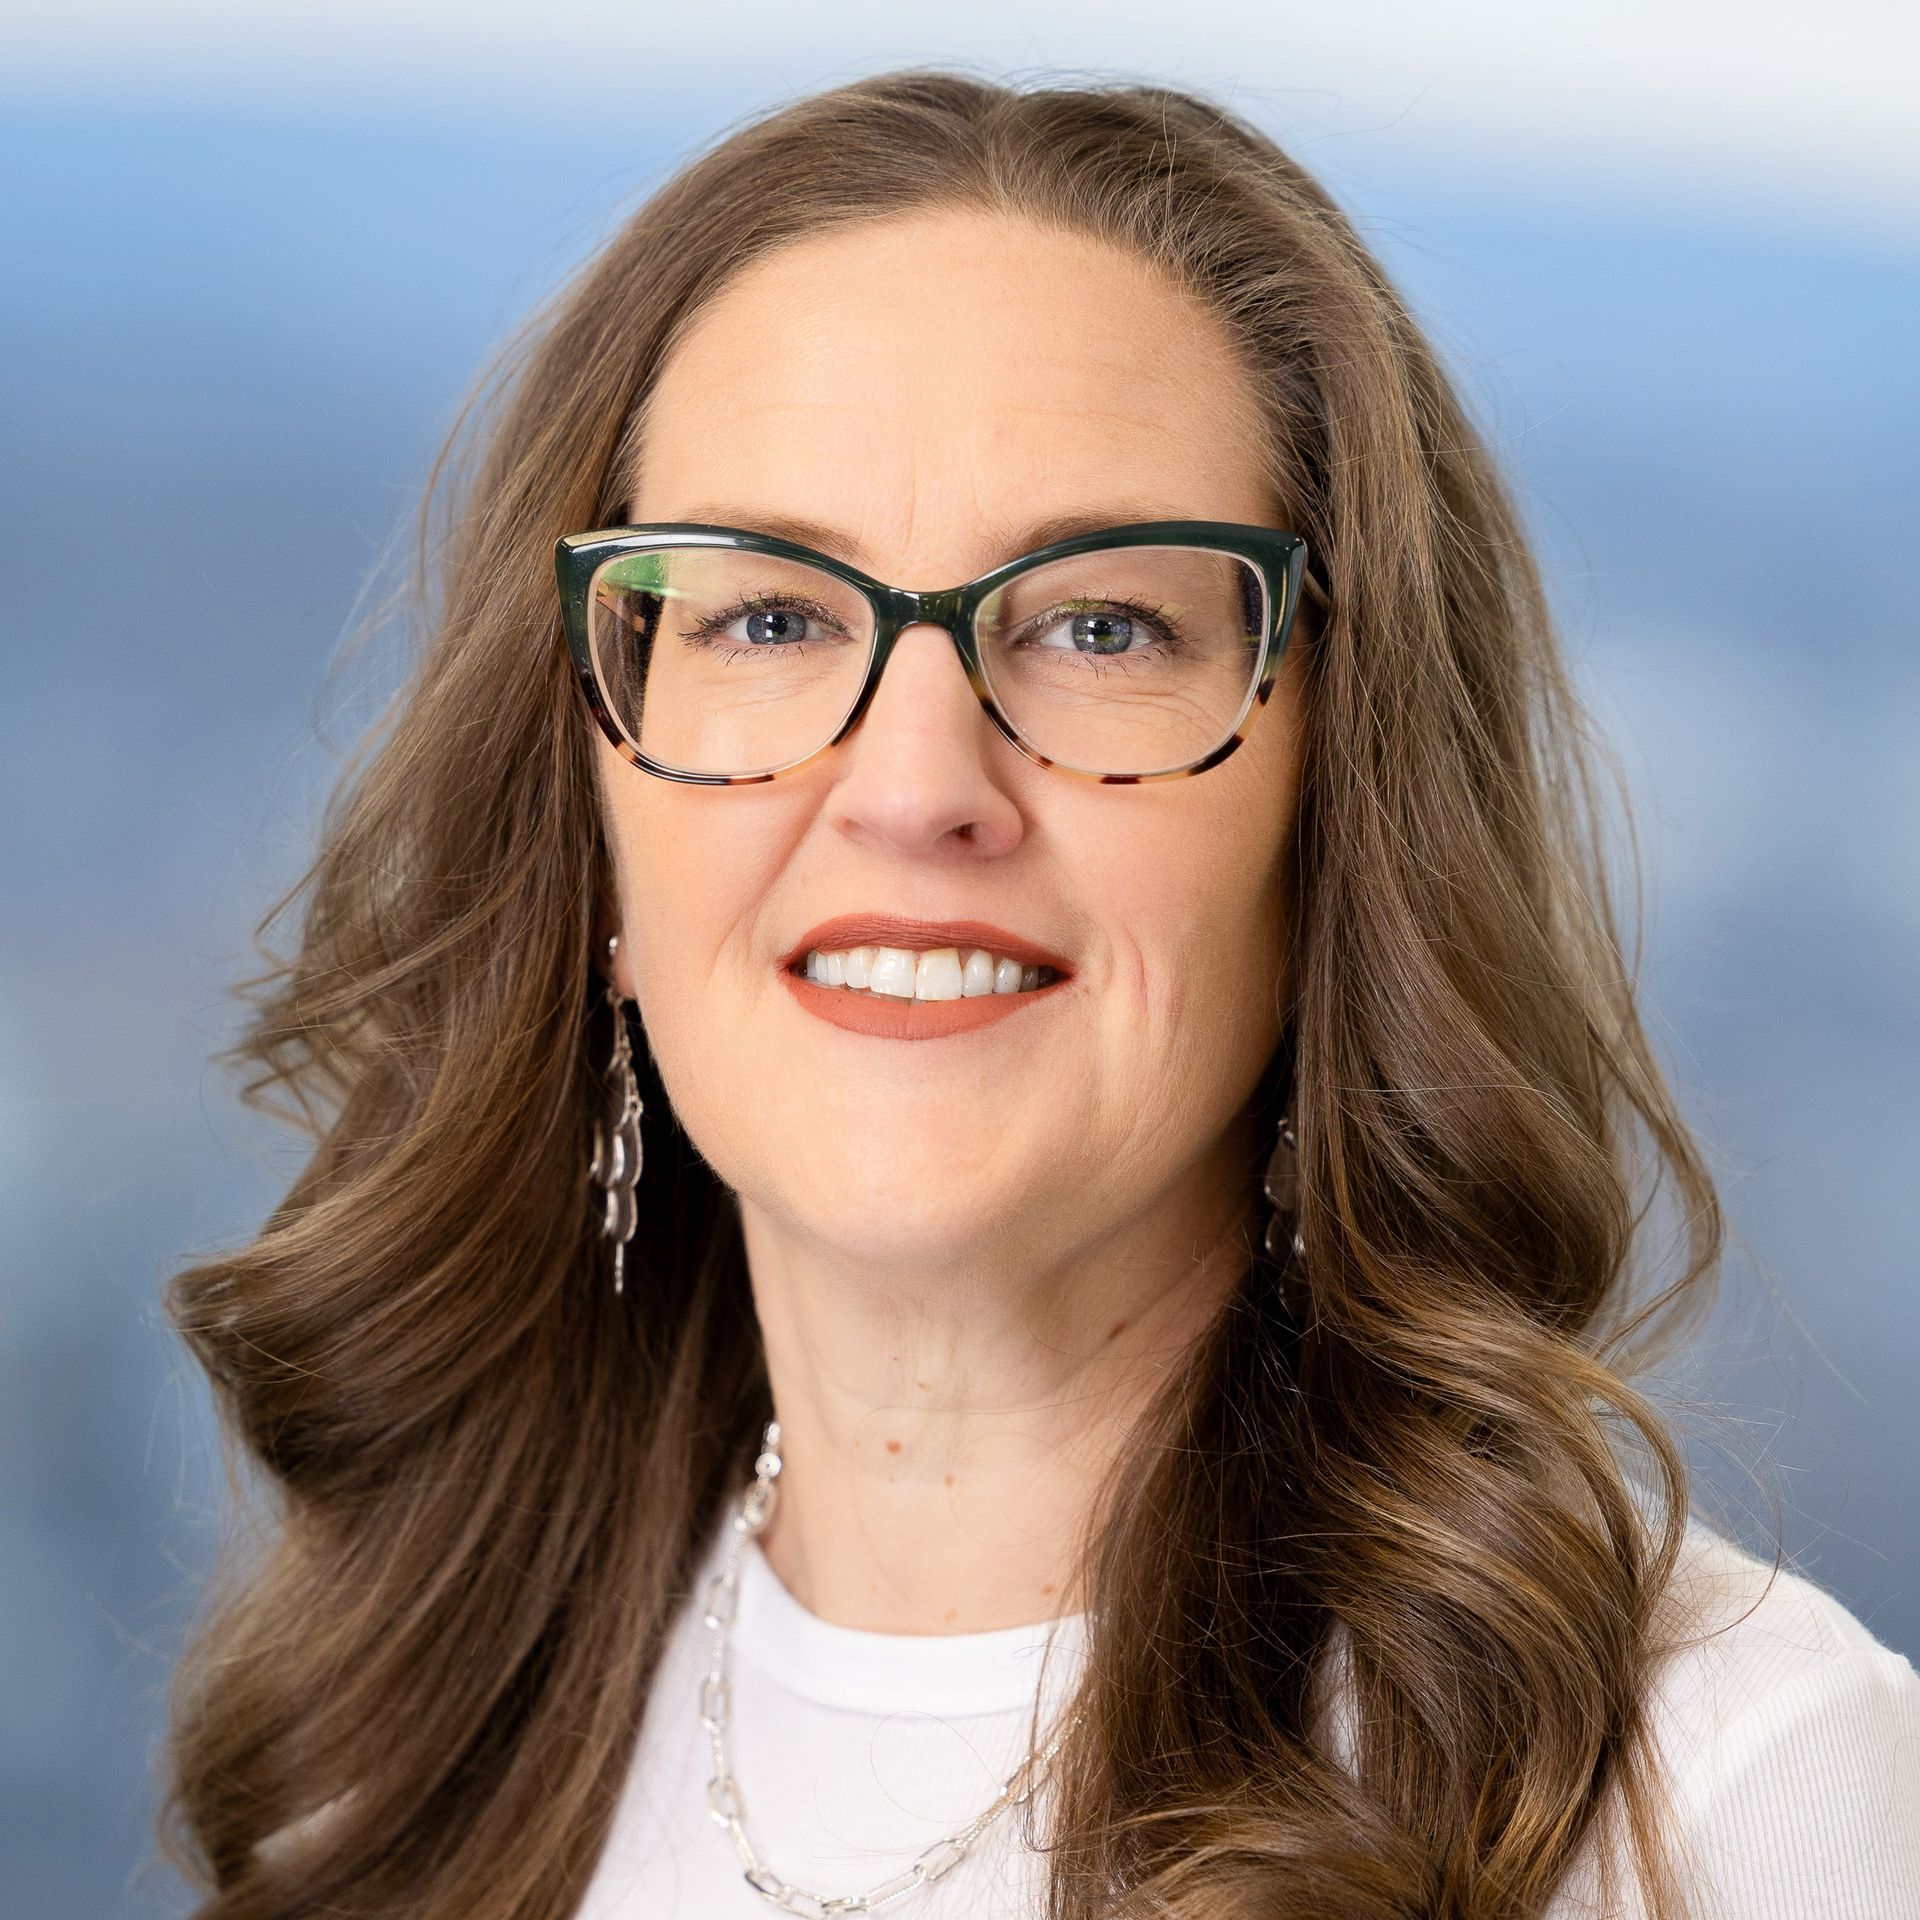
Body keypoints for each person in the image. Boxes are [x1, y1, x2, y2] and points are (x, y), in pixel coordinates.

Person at [157, 68, 1920, 1920]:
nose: (916, 785)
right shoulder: (405, 1778)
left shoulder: (1725, 1797)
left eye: (1102, 627)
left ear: (1342, 823)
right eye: (769, 615)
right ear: (596, 843)